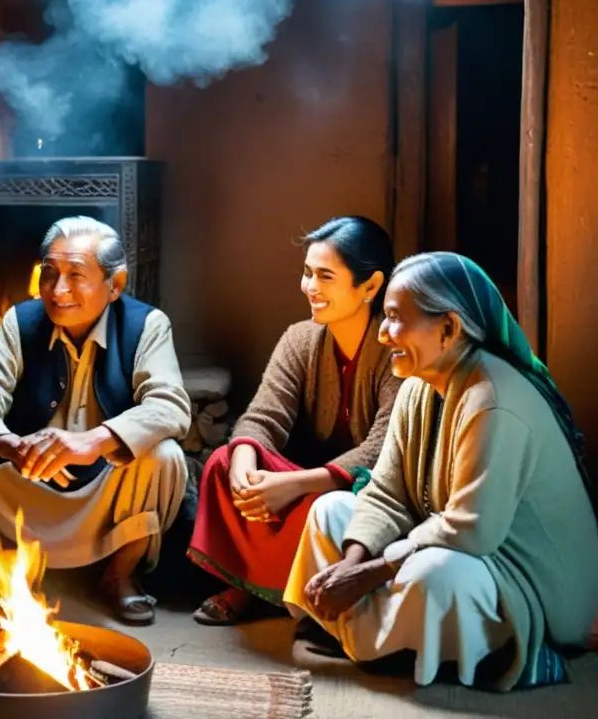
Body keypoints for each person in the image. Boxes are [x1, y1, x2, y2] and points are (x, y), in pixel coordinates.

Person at [284, 252, 598, 690]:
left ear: (449, 328)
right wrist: (351, 564)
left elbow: (473, 532)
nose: (382, 333)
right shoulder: (416, 386)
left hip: (526, 585)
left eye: (395, 319)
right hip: (450, 543)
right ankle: (393, 638)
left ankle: (384, 639)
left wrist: (368, 575)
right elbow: (386, 491)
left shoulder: (493, 399)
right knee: (330, 511)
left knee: (431, 573)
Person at [0, 216, 191, 625]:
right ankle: (3, 573)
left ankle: (119, 577)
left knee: (165, 456)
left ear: (115, 284)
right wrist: (8, 445)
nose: (58, 290)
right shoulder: (20, 322)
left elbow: (170, 406)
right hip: (28, 475)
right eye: (49, 274)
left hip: (106, 476)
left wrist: (93, 442)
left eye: (76, 275)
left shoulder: (146, 325)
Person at [189, 216, 401, 625]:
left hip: (359, 494)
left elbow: (383, 448)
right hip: (303, 485)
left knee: (327, 508)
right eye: (306, 274)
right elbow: (262, 417)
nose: (310, 288)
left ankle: (282, 588)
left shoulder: (395, 351)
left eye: (325, 276)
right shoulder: (300, 338)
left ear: (370, 286)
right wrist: (245, 463)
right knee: (223, 462)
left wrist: (295, 485)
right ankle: (256, 583)